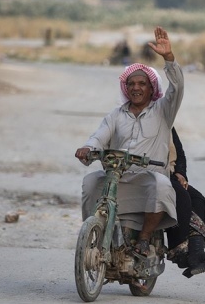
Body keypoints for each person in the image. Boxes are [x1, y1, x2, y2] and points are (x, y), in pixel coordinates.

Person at [75, 26, 183, 257]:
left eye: (142, 84)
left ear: (151, 88)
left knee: (162, 185)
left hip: (148, 178)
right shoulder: (116, 115)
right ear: (126, 87)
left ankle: (145, 237)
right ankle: (93, 233)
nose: (136, 87)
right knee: (90, 182)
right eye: (132, 84)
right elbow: (99, 137)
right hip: (119, 177)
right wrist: (88, 148)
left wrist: (169, 59)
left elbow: (177, 89)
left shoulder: (163, 111)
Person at [166, 127, 205, 278]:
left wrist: (180, 172)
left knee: (198, 199)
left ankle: (196, 254)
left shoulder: (166, 119)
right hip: (151, 174)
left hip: (169, 175)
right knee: (181, 197)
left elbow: (179, 152)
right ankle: (179, 252)